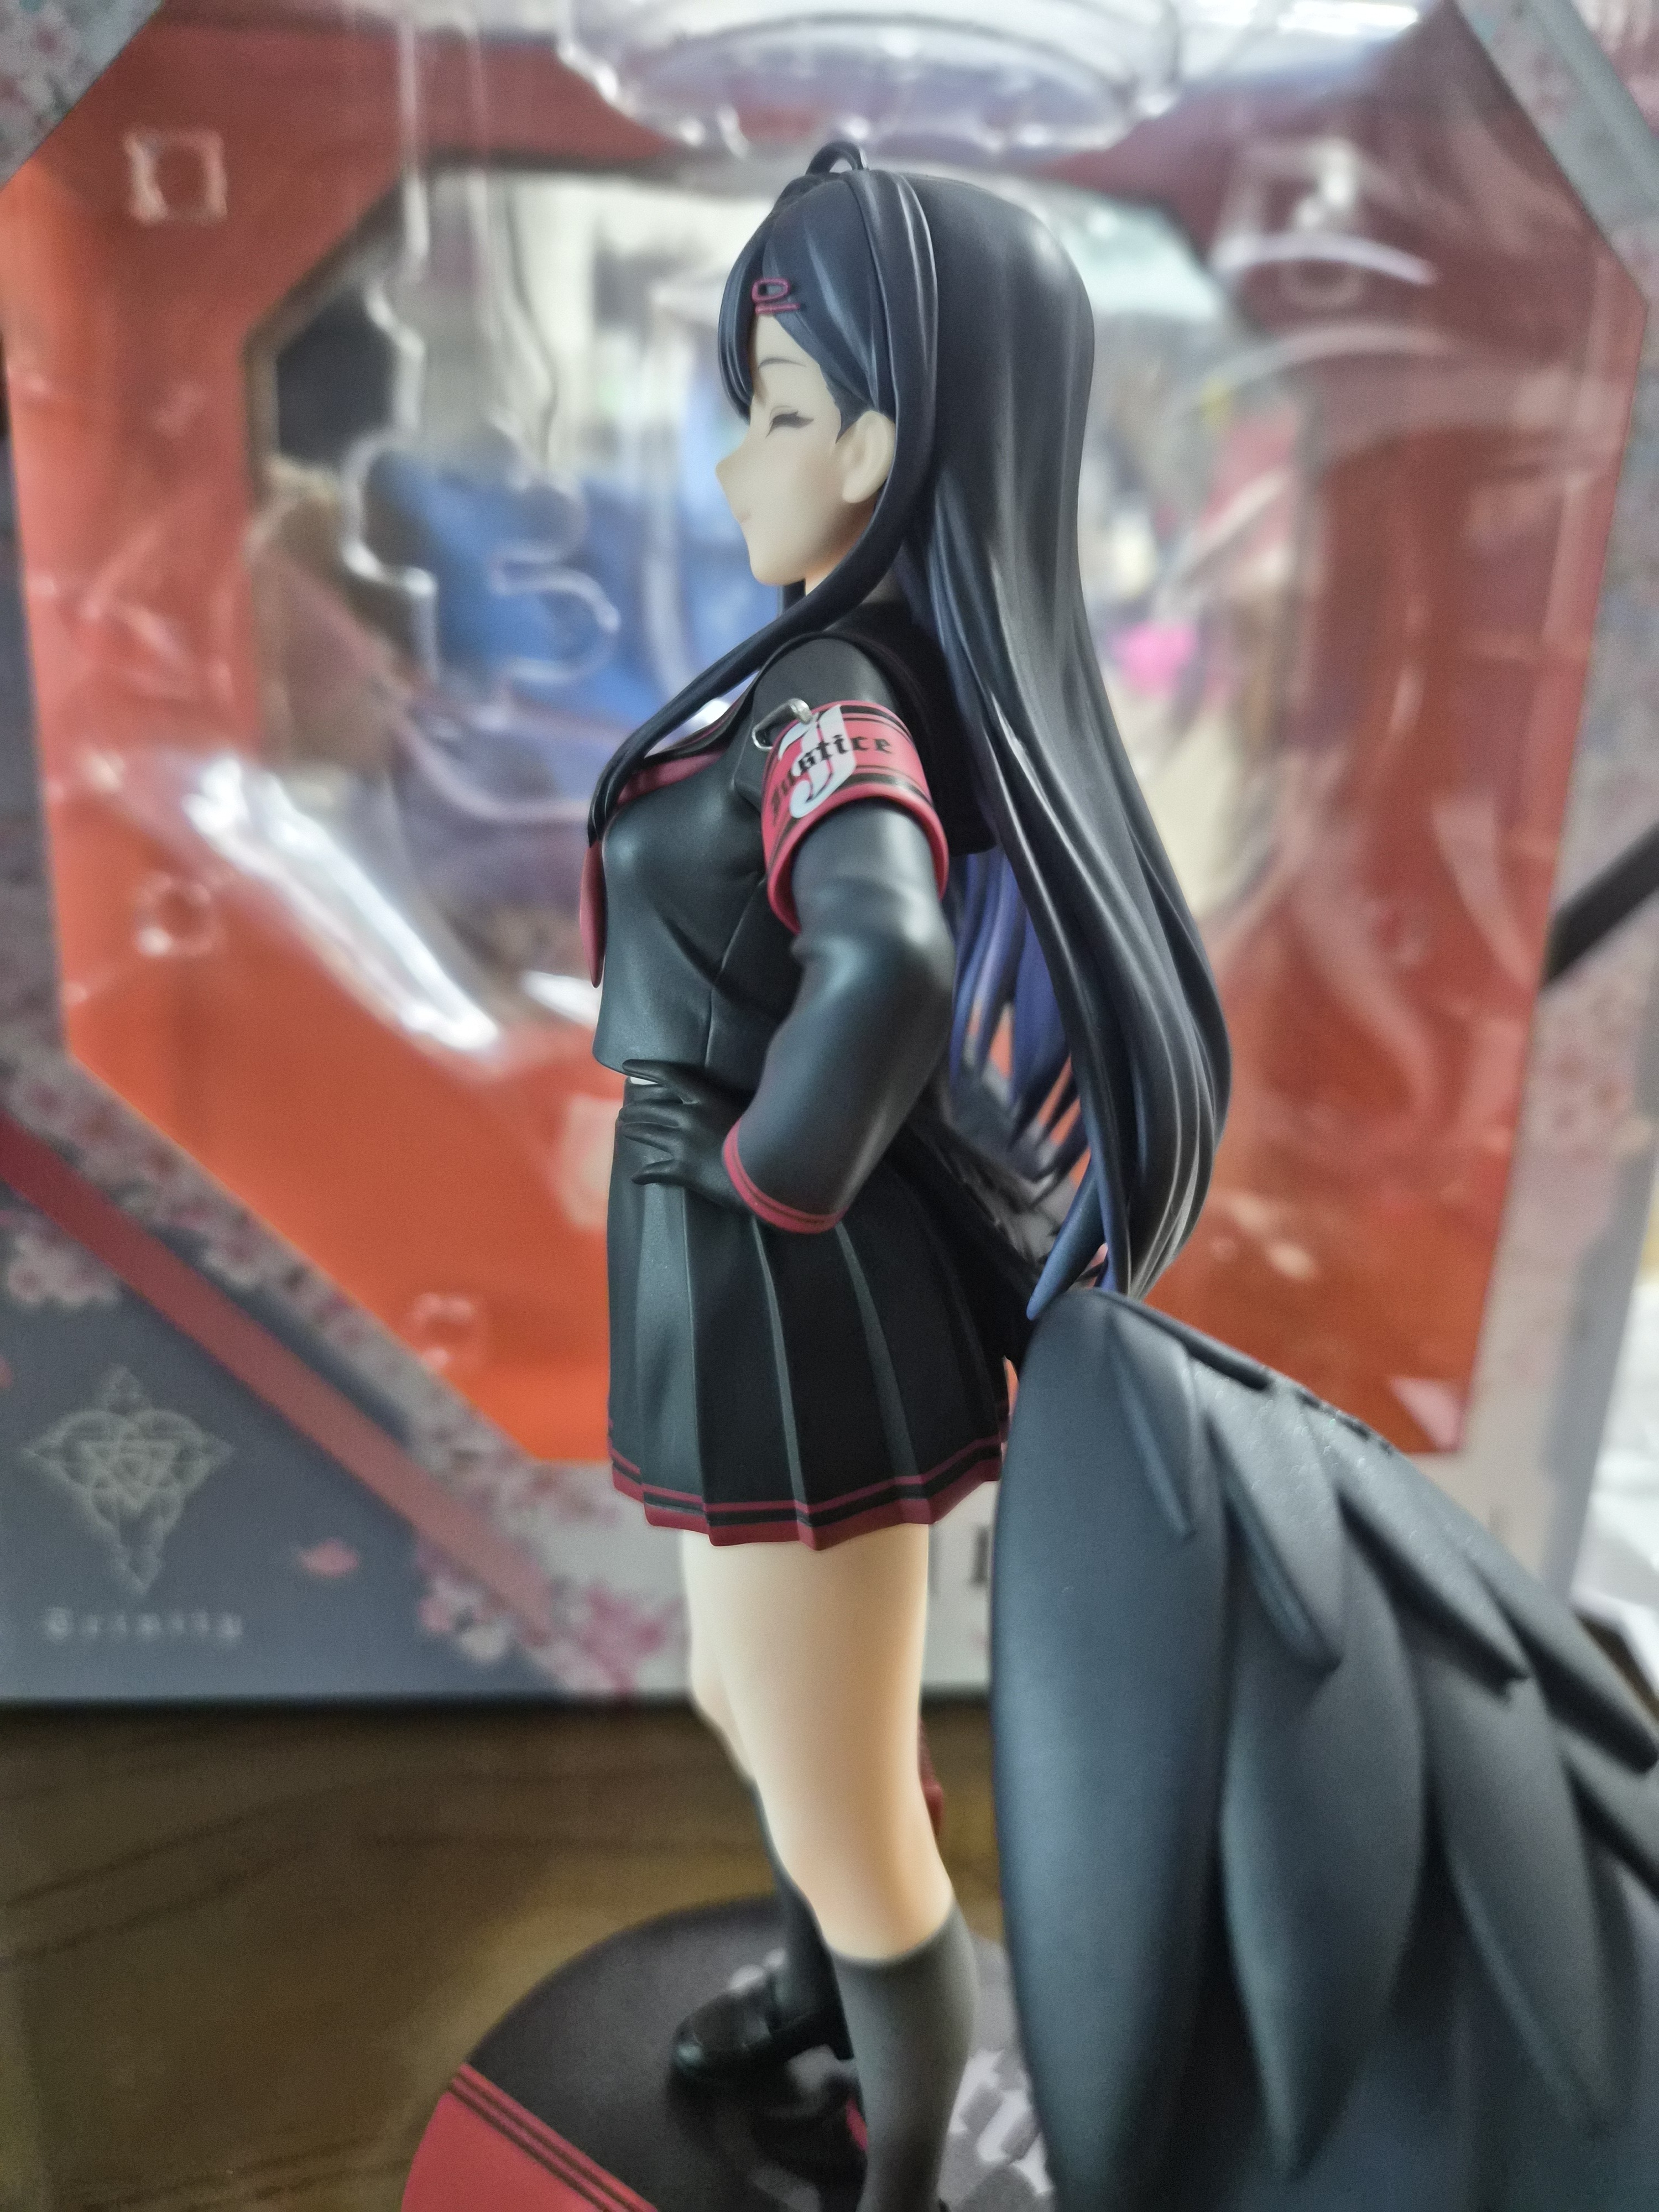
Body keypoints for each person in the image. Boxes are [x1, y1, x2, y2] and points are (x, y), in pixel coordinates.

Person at [582, 143, 1228, 2212]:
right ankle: (814, 1997)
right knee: (750, 1697)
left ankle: (909, 2154)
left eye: (775, 410)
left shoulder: (831, 701)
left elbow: (888, 963)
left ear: (876, 444)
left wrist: (770, 1178)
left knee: (844, 1792)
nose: (734, 459)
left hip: (777, 1276)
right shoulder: (817, 673)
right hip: (727, 1251)